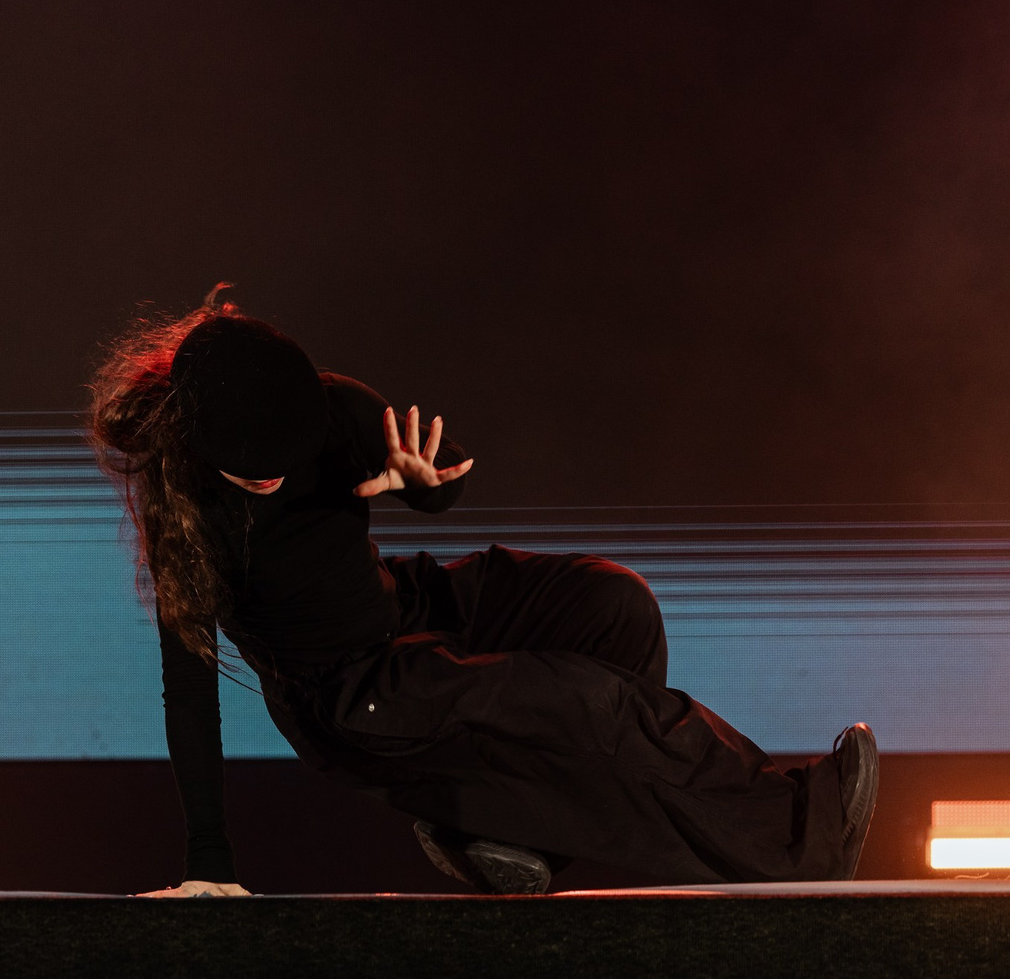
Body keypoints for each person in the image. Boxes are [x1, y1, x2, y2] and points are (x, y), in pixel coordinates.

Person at [88, 288, 877, 897]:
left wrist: (421, 485)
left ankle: (515, 834)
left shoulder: (329, 406)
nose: (272, 472)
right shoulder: (185, 511)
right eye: (252, 465)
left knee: (614, 607)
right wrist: (210, 862)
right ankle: (800, 833)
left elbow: (447, 472)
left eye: (285, 455)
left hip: (407, 604)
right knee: (591, 708)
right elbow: (188, 693)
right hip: (351, 694)